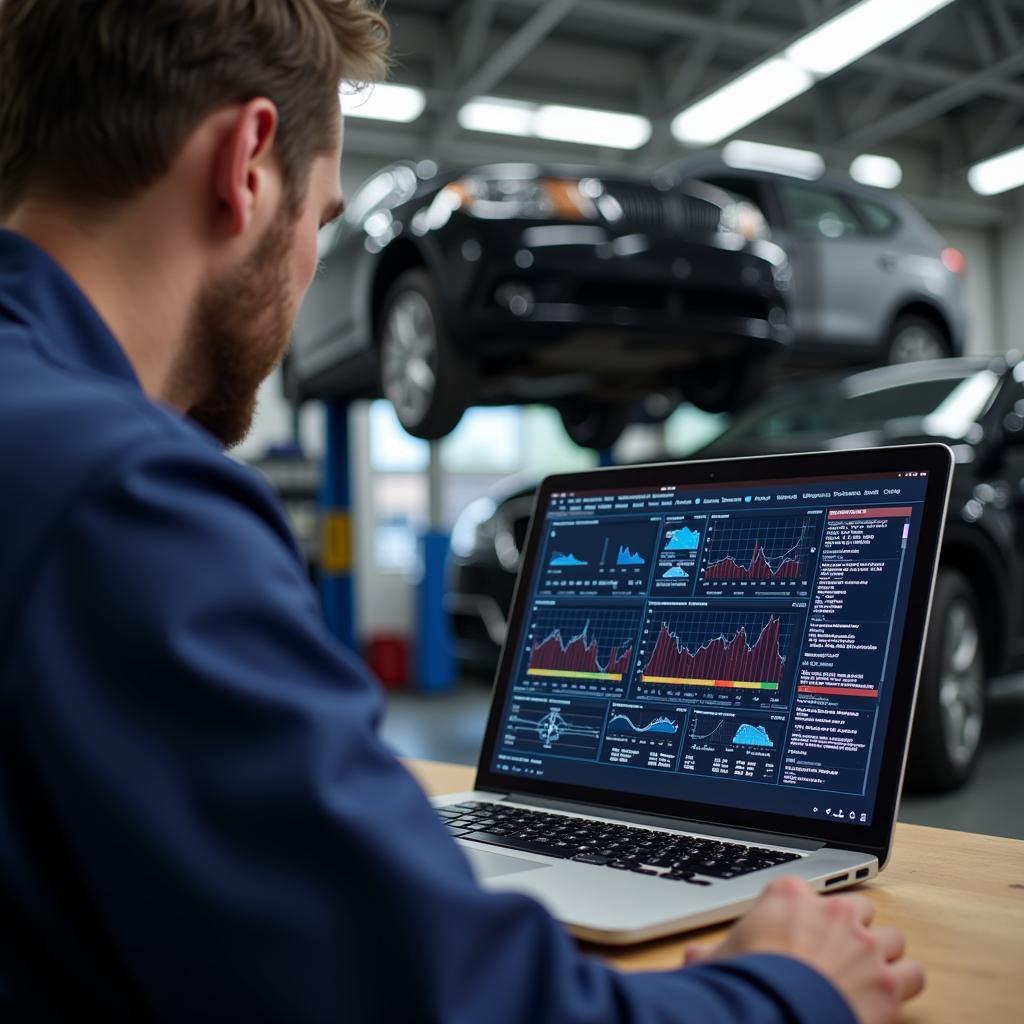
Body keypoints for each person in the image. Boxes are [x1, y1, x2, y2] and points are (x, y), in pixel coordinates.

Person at [0, 2, 925, 1021]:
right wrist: (790, 987)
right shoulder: (126, 496)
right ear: (247, 164)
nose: (309, 268)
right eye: (321, 219)